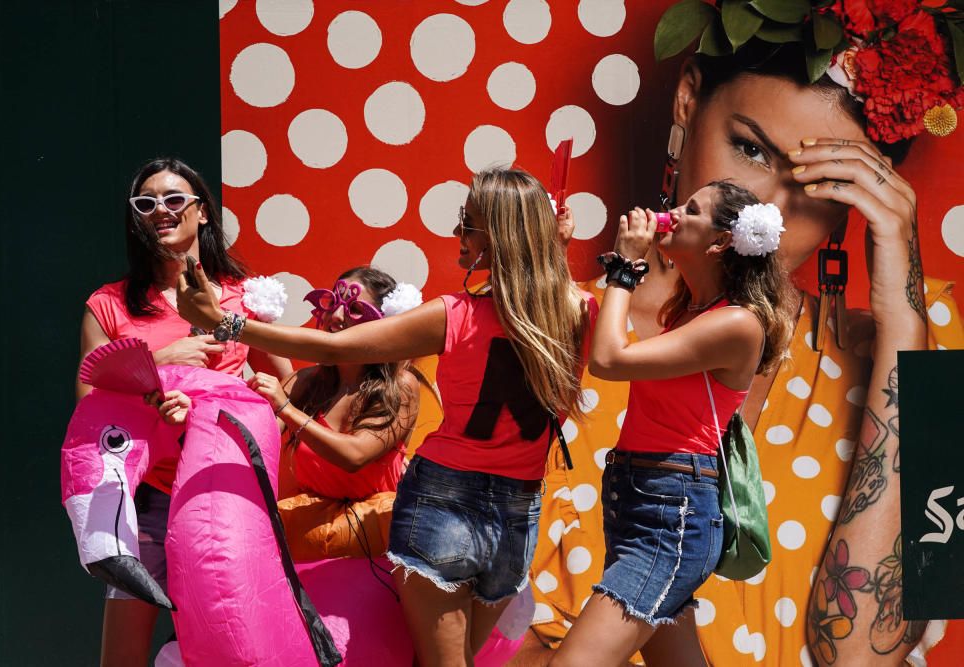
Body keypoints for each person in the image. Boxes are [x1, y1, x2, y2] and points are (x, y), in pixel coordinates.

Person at [521, 5, 964, 666]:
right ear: (687, 97)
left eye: (821, 186)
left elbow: (868, 654)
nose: (767, 214)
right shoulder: (531, 334)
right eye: (750, 149)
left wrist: (902, 322)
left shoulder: (933, 353)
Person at [176, 167, 596, 666]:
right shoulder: (579, 312)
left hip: (445, 500)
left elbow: (327, 344)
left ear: (499, 237)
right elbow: (546, 291)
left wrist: (226, 323)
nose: (456, 234)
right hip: (517, 510)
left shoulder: (455, 314)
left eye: (468, 223)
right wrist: (556, 247)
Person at [549, 183, 793, 666]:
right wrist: (558, 248)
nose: (673, 213)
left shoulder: (737, 324)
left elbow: (609, 359)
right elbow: (595, 322)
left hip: (671, 511)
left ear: (722, 241)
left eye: (692, 210)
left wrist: (624, 266)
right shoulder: (685, 312)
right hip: (643, 501)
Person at [76, 157, 291, 667]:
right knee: (122, 655)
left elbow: (288, 385)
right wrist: (159, 365)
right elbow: (89, 403)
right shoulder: (108, 305)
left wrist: (257, 428)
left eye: (175, 200)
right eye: (145, 203)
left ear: (203, 214)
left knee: (229, 647)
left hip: (228, 495)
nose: (160, 211)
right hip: (146, 497)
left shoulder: (242, 299)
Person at [249, 267, 421, 503]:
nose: (337, 315)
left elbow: (355, 455)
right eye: (333, 303)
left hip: (373, 533)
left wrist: (286, 410)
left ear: (384, 323)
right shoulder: (305, 381)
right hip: (305, 532)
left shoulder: (400, 385)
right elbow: (253, 436)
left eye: (355, 309)